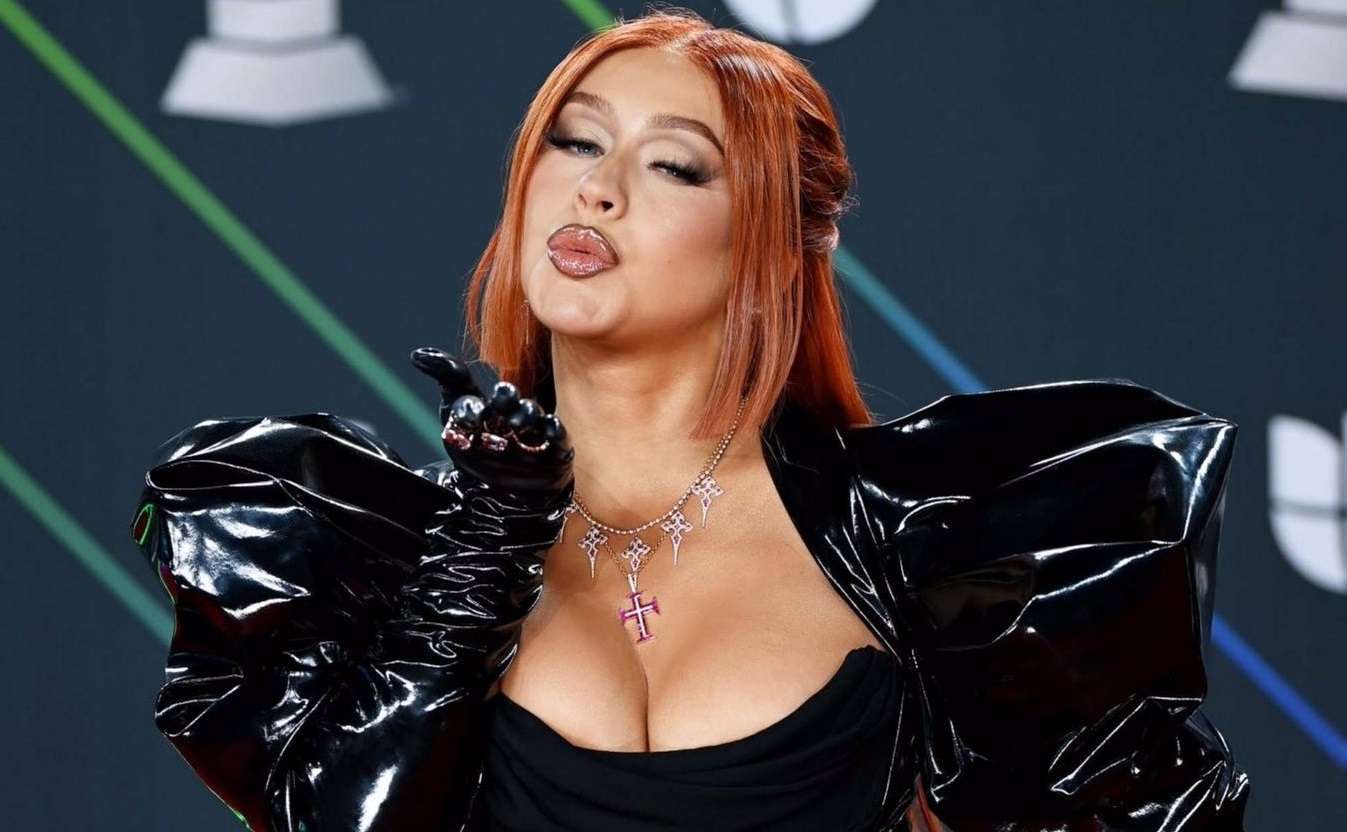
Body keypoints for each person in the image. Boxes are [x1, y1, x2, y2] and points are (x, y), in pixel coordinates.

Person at [130, 8, 1251, 831]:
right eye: (575, 142)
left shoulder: (931, 545)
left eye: (673, 166)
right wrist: (481, 554)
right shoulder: (388, 552)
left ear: (775, 247)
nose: (598, 189)